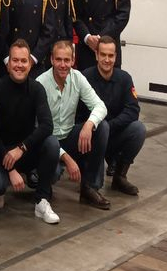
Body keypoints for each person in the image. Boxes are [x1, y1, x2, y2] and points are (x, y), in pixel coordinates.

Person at [0, 39, 62, 224]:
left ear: (29, 64)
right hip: (2, 154)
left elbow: (47, 125)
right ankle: (2, 186)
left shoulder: (37, 89)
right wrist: (11, 169)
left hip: (24, 151)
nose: (19, 65)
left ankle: (42, 201)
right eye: (15, 60)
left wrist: (21, 148)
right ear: (8, 63)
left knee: (53, 154)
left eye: (23, 61)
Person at [35, 41, 112, 210]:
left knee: (102, 127)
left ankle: (89, 187)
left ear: (73, 60)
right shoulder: (40, 83)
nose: (63, 65)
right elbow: (39, 129)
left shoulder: (77, 77)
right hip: (47, 142)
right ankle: (41, 183)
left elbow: (101, 106)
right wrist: (66, 158)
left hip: (69, 136)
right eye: (59, 60)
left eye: (67, 60)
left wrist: (88, 125)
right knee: (53, 173)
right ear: (51, 60)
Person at [79, 36, 145, 196]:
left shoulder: (125, 78)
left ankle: (119, 177)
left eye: (111, 55)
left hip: (114, 134)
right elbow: (78, 114)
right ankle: (89, 178)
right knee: (96, 185)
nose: (107, 60)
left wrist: (110, 126)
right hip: (91, 139)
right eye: (103, 55)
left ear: (116, 56)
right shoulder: (84, 78)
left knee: (138, 129)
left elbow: (133, 110)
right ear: (96, 55)